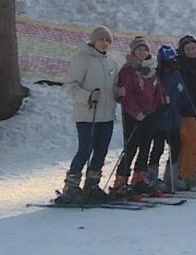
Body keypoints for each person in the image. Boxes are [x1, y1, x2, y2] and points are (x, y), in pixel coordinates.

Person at [58, 26, 119, 205]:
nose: (104, 43)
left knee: (101, 151)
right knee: (85, 149)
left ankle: (92, 184)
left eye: (108, 40)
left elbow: (113, 87)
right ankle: (71, 186)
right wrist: (88, 96)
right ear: (93, 41)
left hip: (106, 115)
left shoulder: (112, 63)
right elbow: (71, 85)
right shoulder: (83, 59)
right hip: (87, 114)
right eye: (101, 39)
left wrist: (118, 92)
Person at [112, 36, 165, 197]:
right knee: (131, 147)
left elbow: (157, 88)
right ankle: (121, 181)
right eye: (139, 49)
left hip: (149, 113)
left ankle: (139, 179)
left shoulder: (151, 70)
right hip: (133, 115)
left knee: (145, 146)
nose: (142, 52)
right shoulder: (127, 70)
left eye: (145, 49)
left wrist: (162, 98)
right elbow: (127, 95)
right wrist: (136, 112)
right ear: (133, 51)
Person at [151, 45, 187, 191]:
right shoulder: (157, 75)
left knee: (176, 146)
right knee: (158, 148)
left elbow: (182, 91)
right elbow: (152, 93)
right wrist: (161, 100)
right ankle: (152, 177)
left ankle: (171, 176)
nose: (171, 64)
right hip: (160, 118)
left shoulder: (176, 74)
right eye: (168, 62)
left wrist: (186, 103)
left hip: (173, 117)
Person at [176, 35, 196, 186]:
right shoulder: (181, 66)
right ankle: (186, 174)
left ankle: (184, 172)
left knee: (188, 143)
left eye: (193, 48)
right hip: (185, 110)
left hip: (194, 109)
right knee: (193, 142)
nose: (191, 51)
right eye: (188, 49)